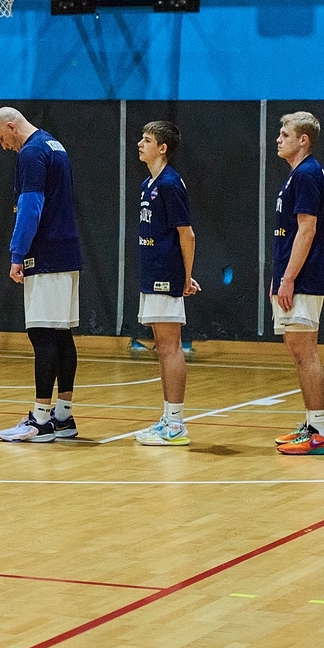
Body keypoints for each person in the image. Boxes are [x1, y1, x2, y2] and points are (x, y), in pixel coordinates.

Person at [0, 107, 82, 444]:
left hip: (46, 255)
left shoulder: (31, 153)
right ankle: (63, 416)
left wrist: (17, 254)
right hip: (67, 252)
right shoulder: (54, 145)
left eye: (2, 138)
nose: (4, 146)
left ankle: (41, 420)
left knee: (42, 335)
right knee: (61, 335)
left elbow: (30, 208)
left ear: (12, 126)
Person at [132, 120, 200, 447]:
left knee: (171, 346)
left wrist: (185, 276)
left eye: (147, 140)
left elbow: (187, 234)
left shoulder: (171, 183)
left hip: (166, 274)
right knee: (162, 346)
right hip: (152, 272)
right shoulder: (149, 184)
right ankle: (167, 417)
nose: (140, 144)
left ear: (162, 148)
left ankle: (175, 424)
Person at [271, 112, 324, 455]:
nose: (278, 140)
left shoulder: (307, 174)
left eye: (285, 134)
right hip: (295, 277)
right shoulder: (299, 175)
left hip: (303, 279)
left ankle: (320, 432)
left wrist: (289, 278)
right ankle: (312, 424)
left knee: (305, 351)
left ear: (303, 140)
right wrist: (279, 277)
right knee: (298, 351)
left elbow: (307, 229)